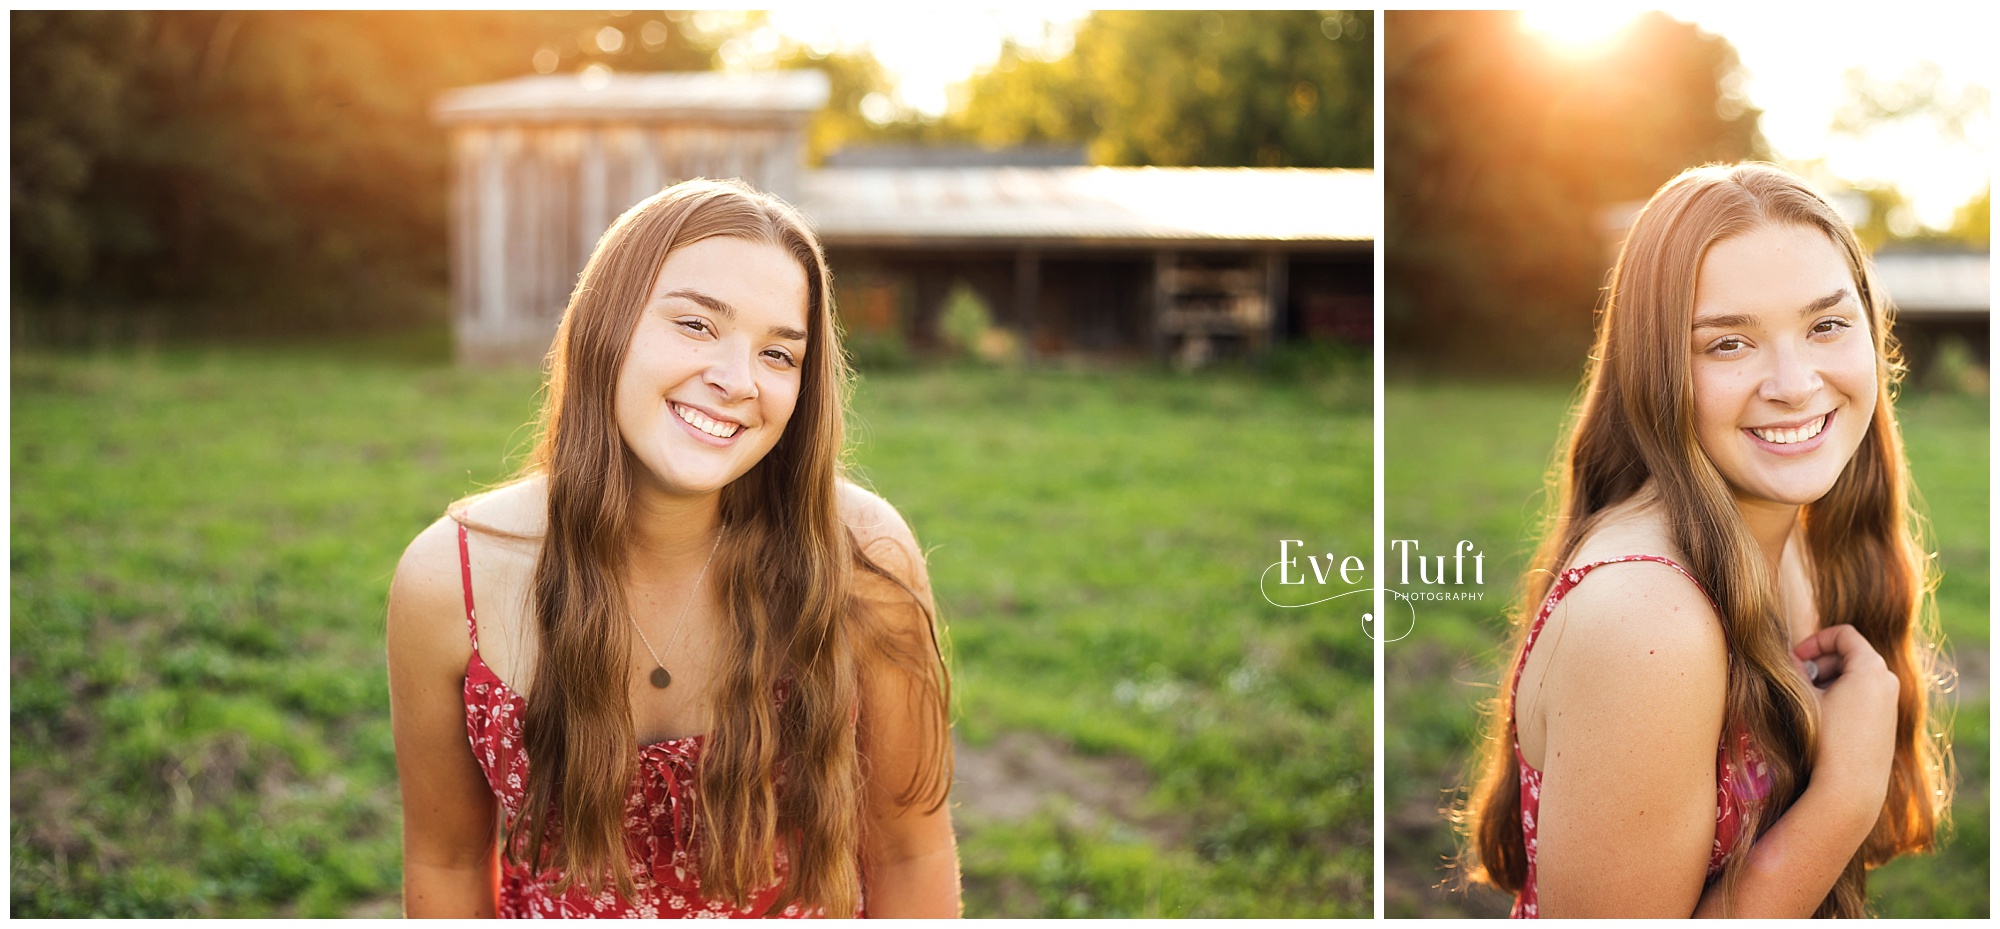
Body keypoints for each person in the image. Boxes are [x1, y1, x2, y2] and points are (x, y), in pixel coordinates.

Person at [386, 178, 960, 917]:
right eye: (695, 324)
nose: (735, 380)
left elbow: (910, 851)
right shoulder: (445, 581)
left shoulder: (861, 556)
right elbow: (447, 860)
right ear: (608, 323)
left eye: (779, 355)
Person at [1456, 163, 1951, 917]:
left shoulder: (1785, 541)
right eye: (1727, 344)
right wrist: (1844, 798)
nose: (1793, 382)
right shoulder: (1649, 616)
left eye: (1826, 324)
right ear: (1656, 370)